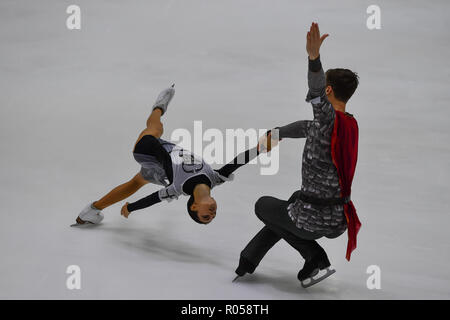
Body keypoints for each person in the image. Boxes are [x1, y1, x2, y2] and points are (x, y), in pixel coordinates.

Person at [234, 22, 361, 288]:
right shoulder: (348, 124)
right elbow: (307, 127)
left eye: (323, 89)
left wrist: (314, 59)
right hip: (339, 219)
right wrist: (276, 133)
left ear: (328, 91)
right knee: (289, 204)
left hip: (314, 218)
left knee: (263, 206)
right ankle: (248, 260)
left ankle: (315, 257)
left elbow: (315, 94)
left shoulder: (326, 118)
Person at [74, 84, 260, 226]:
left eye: (206, 216)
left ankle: (159, 106)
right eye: (213, 216)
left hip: (148, 151)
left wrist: (130, 207)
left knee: (156, 128)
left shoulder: (177, 188)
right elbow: (238, 162)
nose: (212, 213)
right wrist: (267, 144)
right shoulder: (215, 178)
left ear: (194, 206)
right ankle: (91, 211)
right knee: (136, 182)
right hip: (159, 163)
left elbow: (153, 199)